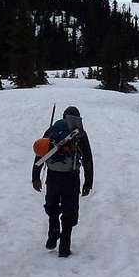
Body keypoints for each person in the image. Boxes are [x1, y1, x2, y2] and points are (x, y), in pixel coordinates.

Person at [32, 106, 93, 257]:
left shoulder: (52, 129)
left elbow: (41, 153)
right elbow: (87, 159)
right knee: (69, 210)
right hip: (71, 177)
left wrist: (35, 176)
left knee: (52, 206)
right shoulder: (80, 133)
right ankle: (64, 245)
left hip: (53, 176)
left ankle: (53, 230)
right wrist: (88, 182)